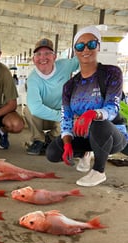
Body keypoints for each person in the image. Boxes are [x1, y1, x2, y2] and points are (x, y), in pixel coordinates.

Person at [46, 26, 128, 187]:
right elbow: (66, 117)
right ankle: (85, 152)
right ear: (75, 51)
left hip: (113, 134)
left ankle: (98, 171)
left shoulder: (111, 73)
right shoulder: (70, 85)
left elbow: (113, 107)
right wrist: (68, 141)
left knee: (99, 124)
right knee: (53, 152)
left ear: (98, 46)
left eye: (91, 44)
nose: (85, 49)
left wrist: (93, 114)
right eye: (79, 46)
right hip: (84, 135)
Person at [25, 38, 79, 155]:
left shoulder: (65, 65)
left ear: (54, 57)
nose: (43, 58)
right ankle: (38, 139)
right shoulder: (33, 79)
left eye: (47, 53)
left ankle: (51, 137)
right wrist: (62, 117)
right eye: (38, 54)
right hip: (42, 117)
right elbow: (36, 108)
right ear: (34, 60)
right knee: (28, 110)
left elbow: (80, 60)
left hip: (61, 110)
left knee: (72, 121)